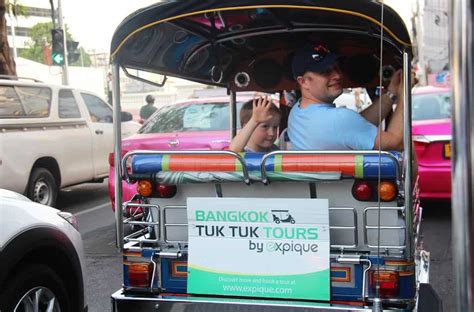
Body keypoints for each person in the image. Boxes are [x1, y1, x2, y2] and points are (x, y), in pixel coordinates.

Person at [288, 43, 405, 151]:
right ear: (303, 82)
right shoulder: (340, 120)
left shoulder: (297, 112)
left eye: (337, 68)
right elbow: (397, 143)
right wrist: (404, 92)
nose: (337, 75)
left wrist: (391, 92)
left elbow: (357, 127)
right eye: (325, 71)